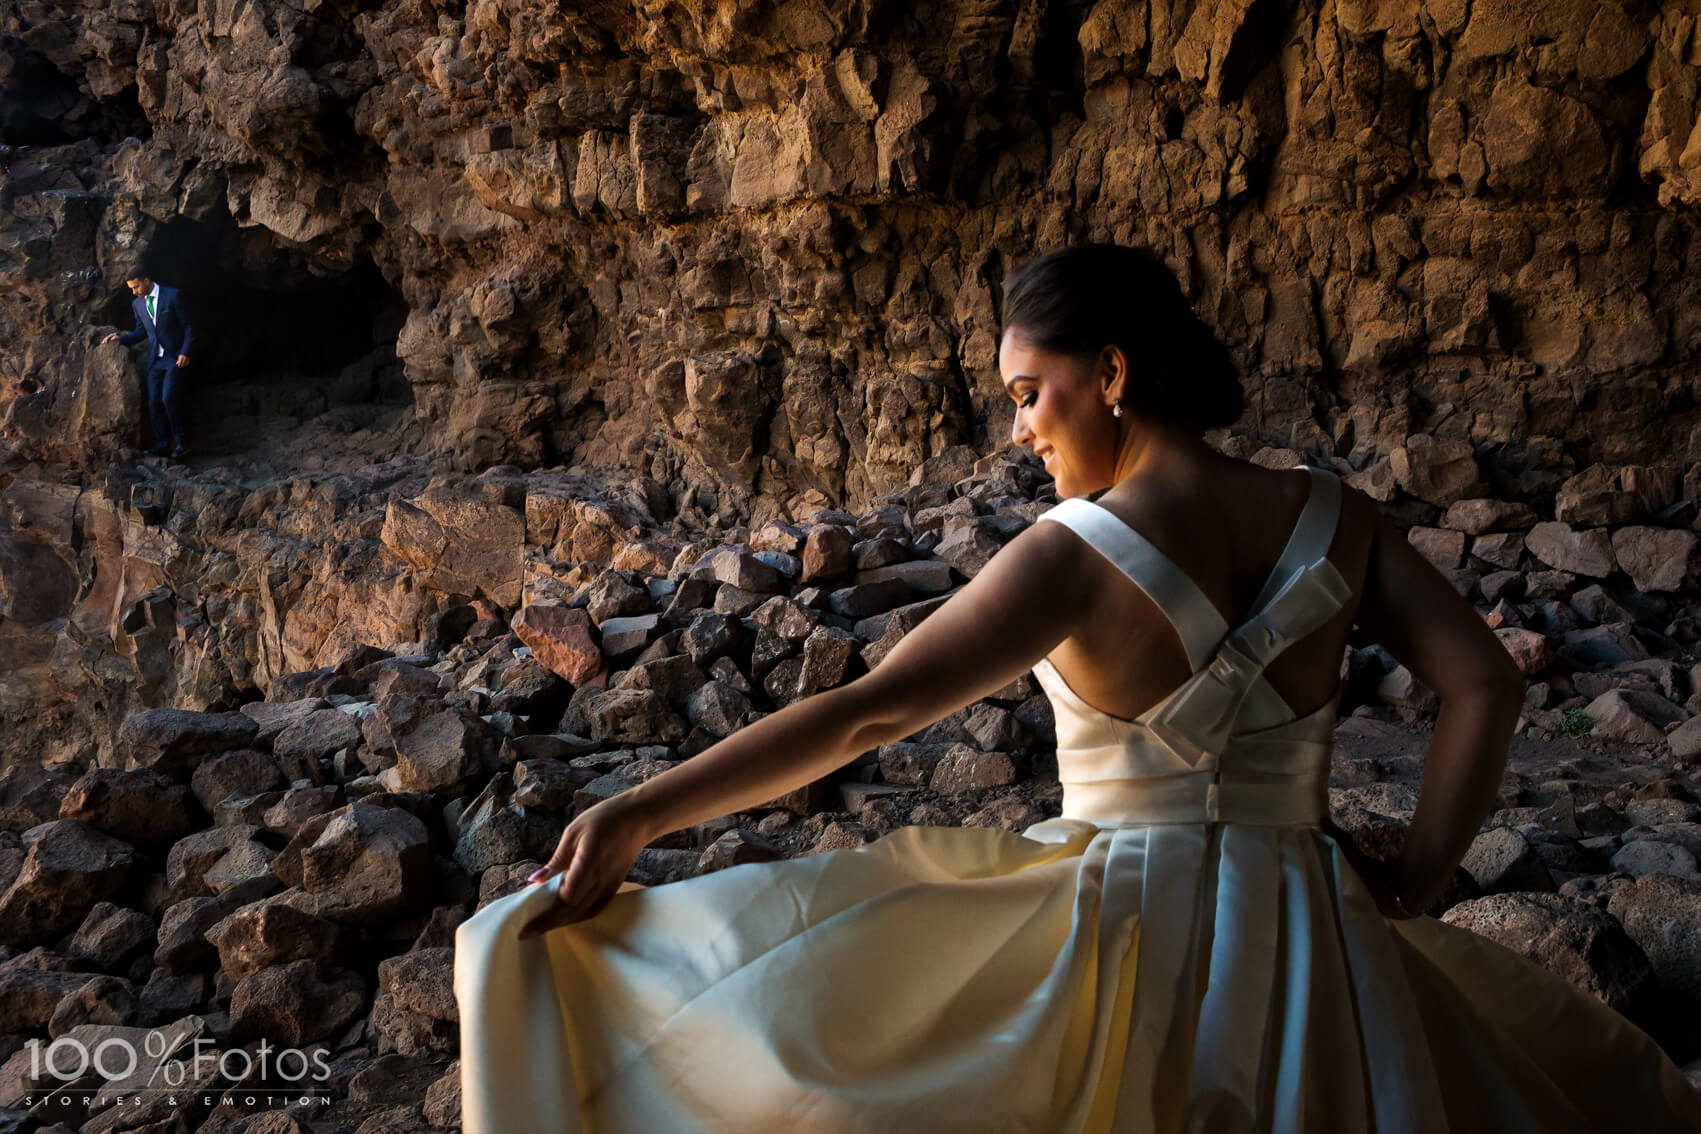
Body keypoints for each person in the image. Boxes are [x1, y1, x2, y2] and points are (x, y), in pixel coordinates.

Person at [454, 243, 1701, 1132]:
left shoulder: (1069, 557)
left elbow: (868, 711)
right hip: (1321, 943)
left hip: (1122, 941)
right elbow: (1484, 685)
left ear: (1110, 372)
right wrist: (1422, 876)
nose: (1020, 430)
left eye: (1027, 393)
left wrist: (637, 812)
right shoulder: (1341, 519)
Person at [100, 268, 196, 459]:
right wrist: (120, 338)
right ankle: (162, 444)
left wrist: (185, 352)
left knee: (169, 397)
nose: (134, 292)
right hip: (155, 360)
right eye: (131, 289)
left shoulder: (172, 295)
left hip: (175, 357)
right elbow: (141, 332)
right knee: (153, 403)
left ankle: (182, 442)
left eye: (136, 287)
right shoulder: (137, 304)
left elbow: (190, 326)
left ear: (146, 280)